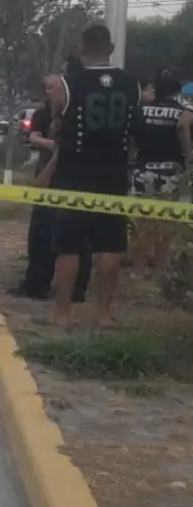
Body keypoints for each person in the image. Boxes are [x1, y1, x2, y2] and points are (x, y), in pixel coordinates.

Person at [50, 24, 141, 328]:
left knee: (68, 247)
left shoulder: (68, 83)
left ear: (82, 47)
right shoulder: (132, 85)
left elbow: (56, 122)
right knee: (110, 246)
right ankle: (103, 314)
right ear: (111, 48)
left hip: (74, 174)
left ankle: (63, 314)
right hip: (113, 175)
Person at [10, 74, 91, 301]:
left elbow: (63, 150)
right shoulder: (44, 114)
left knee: (75, 238)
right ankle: (36, 285)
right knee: (41, 236)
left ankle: (75, 290)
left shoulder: (74, 116)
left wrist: (45, 173)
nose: (51, 93)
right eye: (47, 88)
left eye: (55, 88)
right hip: (50, 180)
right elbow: (40, 140)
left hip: (68, 182)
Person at [128, 67, 192, 274]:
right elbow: (187, 148)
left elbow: (131, 143)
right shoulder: (185, 114)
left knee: (142, 222)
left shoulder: (140, 111)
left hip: (142, 171)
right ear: (177, 90)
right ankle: (160, 267)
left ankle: (139, 268)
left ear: (156, 88)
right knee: (166, 222)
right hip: (171, 173)